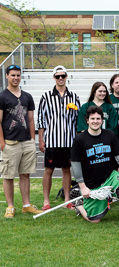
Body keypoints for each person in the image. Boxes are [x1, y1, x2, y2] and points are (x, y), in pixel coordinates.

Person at [71, 106, 119, 226]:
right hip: (92, 184)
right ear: (87, 120)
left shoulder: (110, 135)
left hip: (110, 177)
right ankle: (80, 205)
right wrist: (82, 187)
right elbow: (76, 165)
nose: (95, 121)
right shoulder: (79, 140)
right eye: (92, 118)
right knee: (94, 220)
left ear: (102, 120)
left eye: (98, 118)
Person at [0, 65, 42, 218]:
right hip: (10, 142)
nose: (16, 78)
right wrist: (2, 143)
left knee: (25, 174)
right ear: (7, 76)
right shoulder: (2, 96)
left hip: (26, 142)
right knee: (8, 175)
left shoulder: (27, 97)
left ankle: (26, 205)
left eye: (18, 75)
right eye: (13, 75)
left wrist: (32, 139)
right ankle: (10, 206)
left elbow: (30, 119)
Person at [37, 65, 81, 211]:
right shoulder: (46, 96)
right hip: (52, 140)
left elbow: (78, 120)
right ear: (54, 78)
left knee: (67, 169)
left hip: (69, 140)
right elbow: (41, 119)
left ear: (67, 76)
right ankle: (46, 201)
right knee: (48, 169)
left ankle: (67, 200)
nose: (60, 78)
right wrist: (41, 140)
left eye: (63, 76)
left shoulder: (74, 97)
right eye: (58, 76)